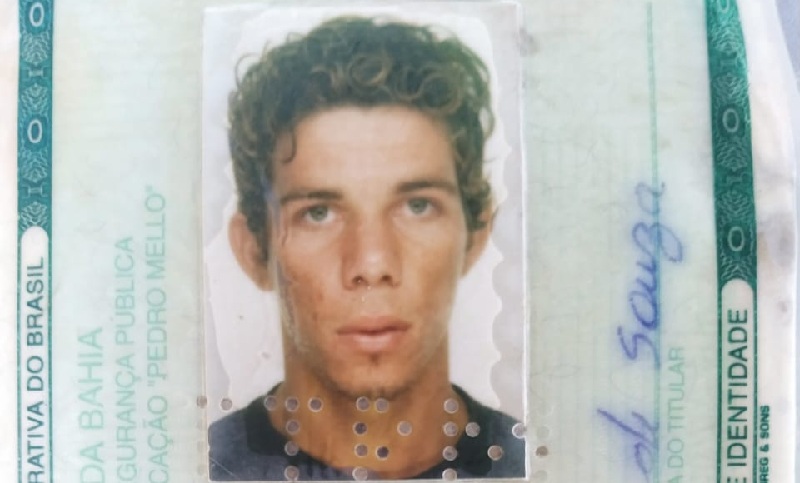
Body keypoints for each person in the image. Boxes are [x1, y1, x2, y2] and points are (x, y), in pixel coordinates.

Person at [209, 15, 525, 481]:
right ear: (254, 250)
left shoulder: (548, 465)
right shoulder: (190, 466)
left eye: (417, 206)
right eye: (319, 212)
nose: (372, 263)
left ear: (475, 235)